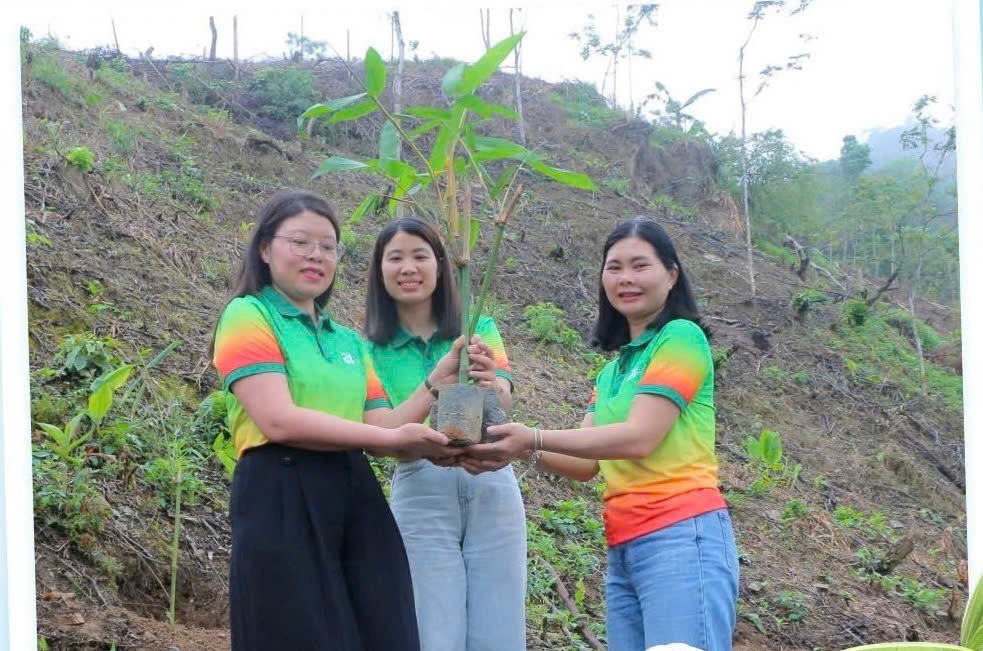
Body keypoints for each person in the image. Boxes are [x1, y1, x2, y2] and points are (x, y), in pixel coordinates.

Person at [211, 190, 477, 651]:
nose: (316, 255)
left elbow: (386, 428)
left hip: (354, 491)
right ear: (264, 249)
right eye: (300, 242)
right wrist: (383, 437)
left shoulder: (349, 342)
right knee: (299, 633)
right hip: (280, 490)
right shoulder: (247, 315)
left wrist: (436, 384)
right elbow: (278, 421)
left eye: (328, 246)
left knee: (383, 628)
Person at [470, 217, 739, 651]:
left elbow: (639, 438)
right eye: (614, 267)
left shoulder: (681, 339)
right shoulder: (613, 371)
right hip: (624, 548)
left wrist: (532, 437)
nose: (626, 278)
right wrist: (514, 446)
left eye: (640, 265)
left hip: (682, 539)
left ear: (671, 275)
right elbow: (586, 465)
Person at [364, 217, 527, 651]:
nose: (409, 267)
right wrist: (435, 383)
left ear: (440, 265)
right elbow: (383, 433)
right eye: (395, 257)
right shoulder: (367, 350)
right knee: (432, 633)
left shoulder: (478, 327)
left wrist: (492, 383)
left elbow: (503, 405)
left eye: (420, 255)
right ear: (379, 271)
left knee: (500, 633)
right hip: (420, 487)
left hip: (490, 481)